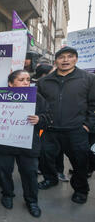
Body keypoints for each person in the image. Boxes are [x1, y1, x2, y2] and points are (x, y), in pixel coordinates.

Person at [0, 70, 51, 217]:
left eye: (28, 79)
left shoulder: (37, 98)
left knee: (30, 174)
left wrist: (40, 120)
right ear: (10, 83)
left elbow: (48, 117)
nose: (26, 82)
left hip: (27, 144)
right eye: (21, 79)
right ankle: (7, 194)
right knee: (4, 171)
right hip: (4, 144)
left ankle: (31, 201)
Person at [37, 46, 95, 204]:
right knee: (45, 158)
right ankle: (50, 179)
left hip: (76, 131)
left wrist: (87, 126)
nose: (65, 60)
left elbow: (93, 105)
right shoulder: (43, 82)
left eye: (70, 56)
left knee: (80, 162)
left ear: (76, 59)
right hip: (49, 130)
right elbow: (37, 105)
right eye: (62, 57)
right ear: (55, 61)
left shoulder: (88, 79)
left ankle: (81, 190)